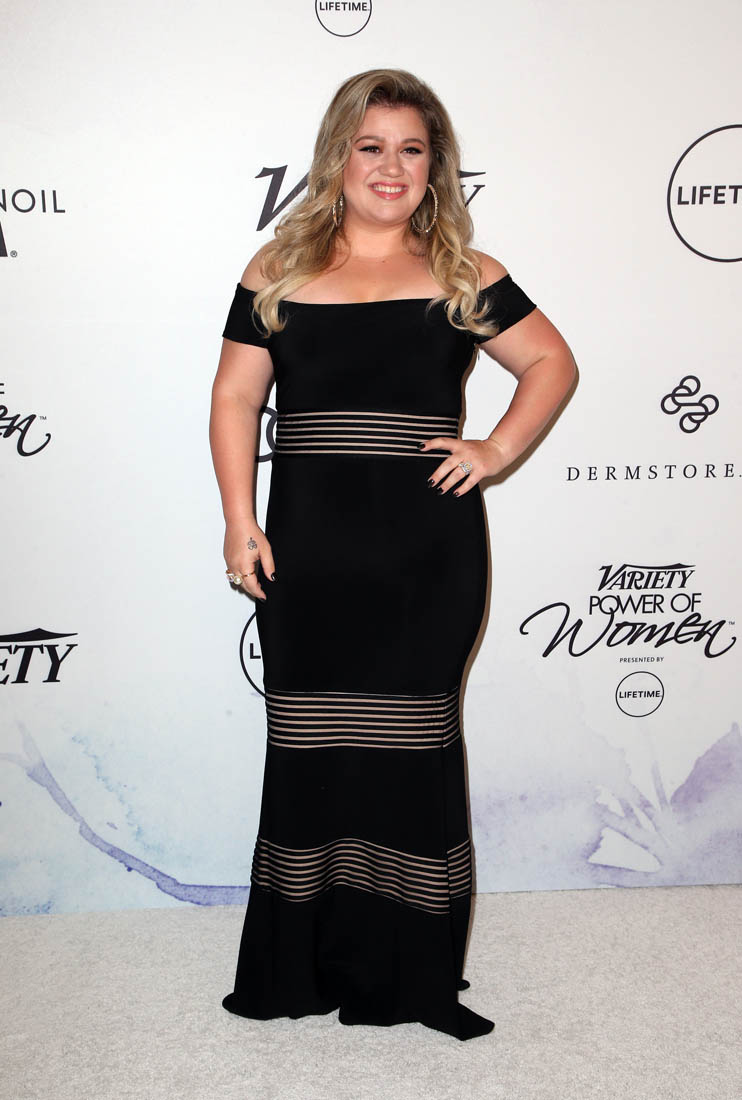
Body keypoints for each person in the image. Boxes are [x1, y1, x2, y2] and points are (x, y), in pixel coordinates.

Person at [210, 68, 576, 1042]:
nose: (390, 166)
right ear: (338, 155)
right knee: (309, 753)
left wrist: (494, 449)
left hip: (425, 561)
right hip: (308, 556)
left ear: (434, 165)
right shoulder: (275, 269)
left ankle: (408, 974)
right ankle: (303, 961)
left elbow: (551, 362)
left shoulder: (465, 274)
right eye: (371, 146)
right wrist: (239, 519)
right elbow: (236, 397)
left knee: (412, 756)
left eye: (411, 149)